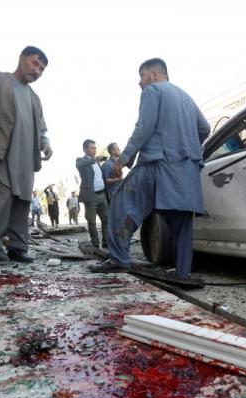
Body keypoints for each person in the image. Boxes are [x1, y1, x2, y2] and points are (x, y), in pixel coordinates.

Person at [90, 58, 210, 277]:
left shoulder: (153, 90)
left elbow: (144, 128)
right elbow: (205, 128)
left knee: (121, 203)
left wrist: (123, 159)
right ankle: (182, 273)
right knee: (181, 222)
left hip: (158, 163)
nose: (140, 82)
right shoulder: (187, 98)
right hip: (187, 168)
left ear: (154, 75)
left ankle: (118, 259)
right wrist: (186, 147)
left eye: (142, 75)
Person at [0, 46, 53, 263]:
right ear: (21, 58)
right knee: (0, 200)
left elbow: (41, 128)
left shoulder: (35, 98)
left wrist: (45, 143)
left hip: (25, 157)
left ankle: (18, 247)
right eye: (35, 63)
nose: (37, 71)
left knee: (22, 202)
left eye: (41, 69)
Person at [75, 139, 108, 248]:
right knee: (91, 221)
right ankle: (95, 243)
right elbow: (80, 164)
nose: (94, 150)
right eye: (92, 148)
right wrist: (94, 160)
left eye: (95, 148)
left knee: (106, 219)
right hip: (91, 196)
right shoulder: (81, 160)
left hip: (102, 195)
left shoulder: (97, 162)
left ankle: (106, 241)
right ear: (85, 149)